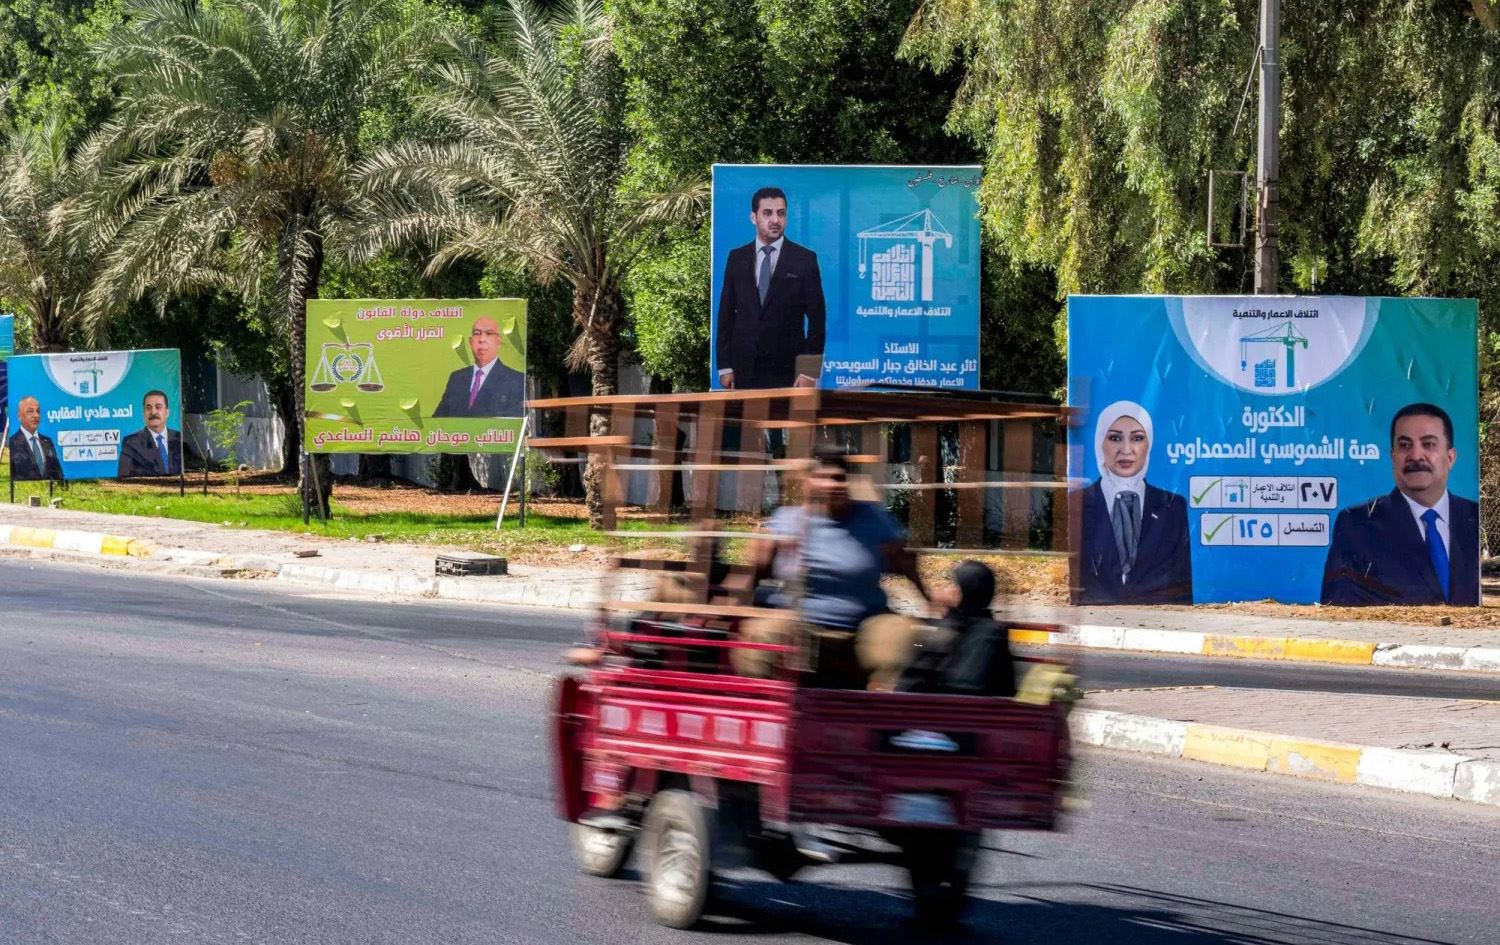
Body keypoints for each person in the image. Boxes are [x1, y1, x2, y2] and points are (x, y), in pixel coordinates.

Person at [733, 448, 930, 688]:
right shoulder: (788, 519)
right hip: (802, 622)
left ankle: (880, 719)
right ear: (809, 483)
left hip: (865, 623)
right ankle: (771, 715)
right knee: (763, 636)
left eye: (838, 478)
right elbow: (755, 570)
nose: (832, 485)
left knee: (901, 637)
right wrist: (734, 602)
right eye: (823, 477)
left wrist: (930, 599)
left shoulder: (874, 519)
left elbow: (905, 563)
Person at [1321, 402, 1479, 606]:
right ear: (1392, 456)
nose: (1415, 456)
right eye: (1405, 445)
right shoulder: (1358, 525)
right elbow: (1338, 610)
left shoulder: (1474, 518)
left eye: (1428, 444)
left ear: (1450, 458)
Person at [1077, 400, 1192, 604]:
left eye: (1137, 438)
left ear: (1149, 445)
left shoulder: (1172, 507)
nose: (1126, 450)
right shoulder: (1078, 503)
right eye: (1115, 438)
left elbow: (1181, 585)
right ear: (1099, 443)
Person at [715, 186, 826, 390]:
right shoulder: (736, 258)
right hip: (743, 369)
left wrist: (809, 372)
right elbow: (725, 315)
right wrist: (724, 367)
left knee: (785, 422)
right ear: (753, 217)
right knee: (743, 423)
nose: (775, 220)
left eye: (781, 213)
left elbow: (817, 321)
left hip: (788, 372)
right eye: (767, 213)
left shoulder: (805, 260)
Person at [896, 560, 1017, 697]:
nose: (945, 589)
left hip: (944, 709)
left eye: (952, 585)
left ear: (962, 591)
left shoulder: (977, 632)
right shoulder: (993, 631)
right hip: (968, 711)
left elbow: (911, 682)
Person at [433, 316, 525, 418]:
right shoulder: (457, 378)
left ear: (499, 341)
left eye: (489, 333)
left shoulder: (516, 380)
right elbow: (438, 421)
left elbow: (513, 426)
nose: (482, 339)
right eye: (477, 333)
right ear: (470, 342)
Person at [117, 389, 183, 477]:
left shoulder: (180, 438)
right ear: (144, 413)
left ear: (167, 412)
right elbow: (123, 477)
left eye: (158, 407)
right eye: (148, 408)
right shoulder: (131, 443)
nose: (153, 412)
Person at [8, 395, 64, 481]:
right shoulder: (12, 443)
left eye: (38, 411)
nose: (36, 415)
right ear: (19, 416)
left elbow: (58, 474)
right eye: (30, 411)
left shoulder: (47, 441)